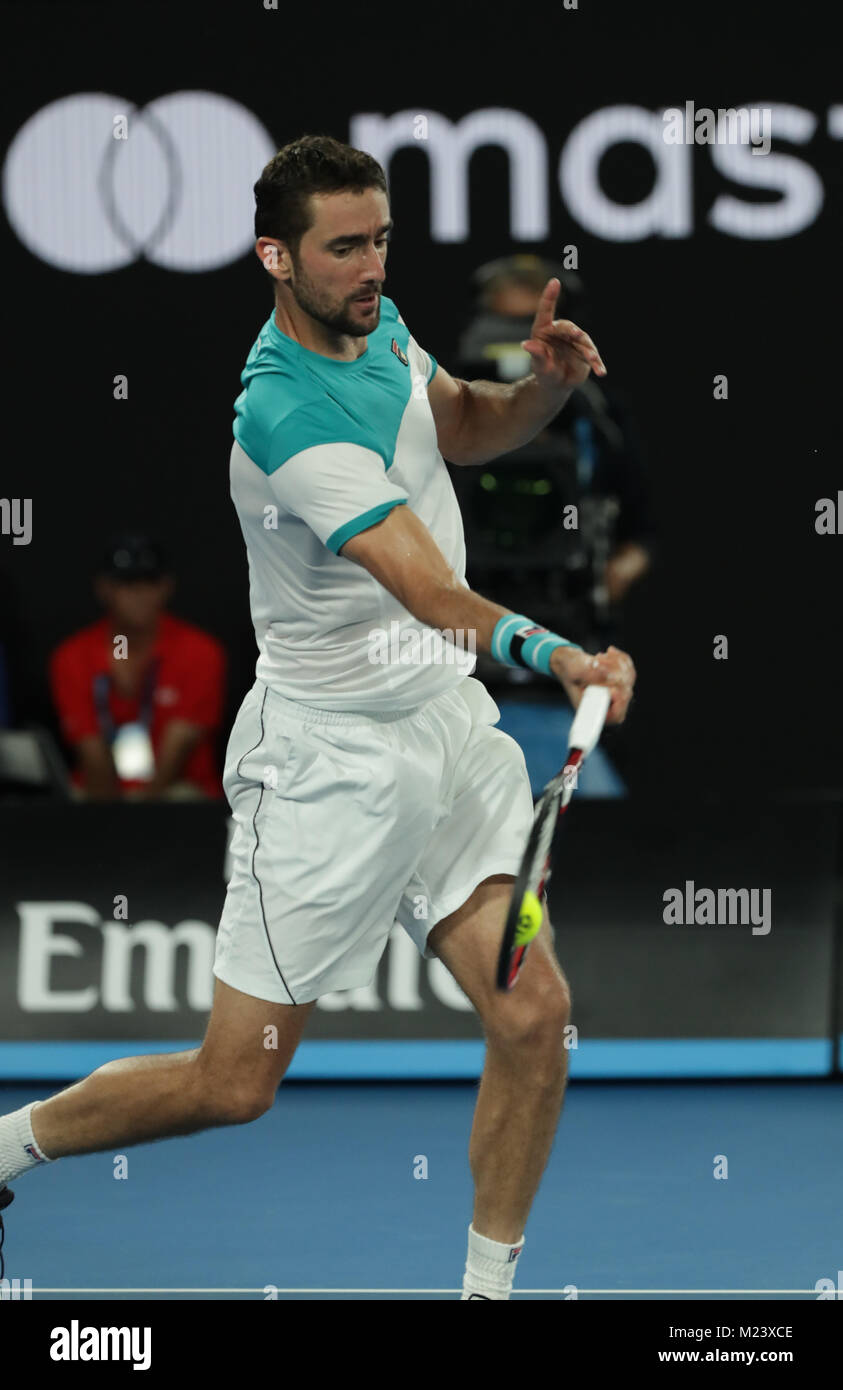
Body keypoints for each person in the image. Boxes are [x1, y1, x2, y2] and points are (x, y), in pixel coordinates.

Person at [0, 136, 635, 1302]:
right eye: (344, 247)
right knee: (232, 1083)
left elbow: (461, 422)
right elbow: (431, 595)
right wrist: (559, 653)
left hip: (444, 733)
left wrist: (543, 386)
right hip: (327, 764)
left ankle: (485, 1296)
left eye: (381, 239)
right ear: (275, 257)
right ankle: (9, 1144)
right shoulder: (284, 416)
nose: (371, 265)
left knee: (535, 1014)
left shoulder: (377, 326)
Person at [48, 536, 226, 800]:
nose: (139, 595)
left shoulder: (200, 651)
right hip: (99, 795)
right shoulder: (72, 656)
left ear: (166, 587)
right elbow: (90, 751)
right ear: (104, 589)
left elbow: (177, 750)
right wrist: (113, 823)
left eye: (150, 583)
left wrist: (139, 819)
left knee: (184, 796)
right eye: (127, 584)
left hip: (176, 793)